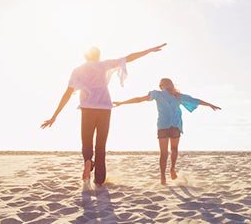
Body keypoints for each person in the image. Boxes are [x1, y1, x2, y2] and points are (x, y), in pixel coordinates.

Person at [41, 43, 167, 187]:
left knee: (86, 141)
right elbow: (129, 58)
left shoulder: (78, 70)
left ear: (85, 56)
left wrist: (55, 116)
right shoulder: (103, 65)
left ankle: (88, 160)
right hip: (105, 109)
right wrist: (149, 50)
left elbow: (67, 93)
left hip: (87, 109)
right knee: (101, 145)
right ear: (98, 56)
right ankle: (99, 181)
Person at [113, 78, 221, 185]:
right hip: (175, 125)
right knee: (174, 149)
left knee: (163, 153)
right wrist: (211, 105)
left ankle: (163, 177)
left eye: (160, 85)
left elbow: (139, 99)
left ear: (162, 86)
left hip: (163, 126)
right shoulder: (177, 96)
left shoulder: (157, 94)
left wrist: (122, 103)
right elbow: (196, 100)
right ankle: (172, 168)